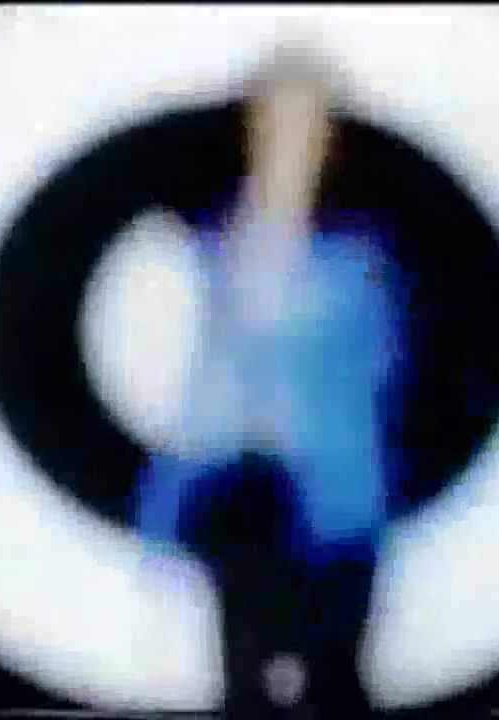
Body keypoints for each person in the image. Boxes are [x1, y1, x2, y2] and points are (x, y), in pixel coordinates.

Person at [133, 46, 403, 717]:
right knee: (251, 683)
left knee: (337, 684)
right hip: (240, 497)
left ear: (330, 141)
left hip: (338, 503)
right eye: (279, 123)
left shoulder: (360, 258)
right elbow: (192, 382)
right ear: (253, 130)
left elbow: (378, 375)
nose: (293, 142)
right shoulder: (197, 249)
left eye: (309, 126)